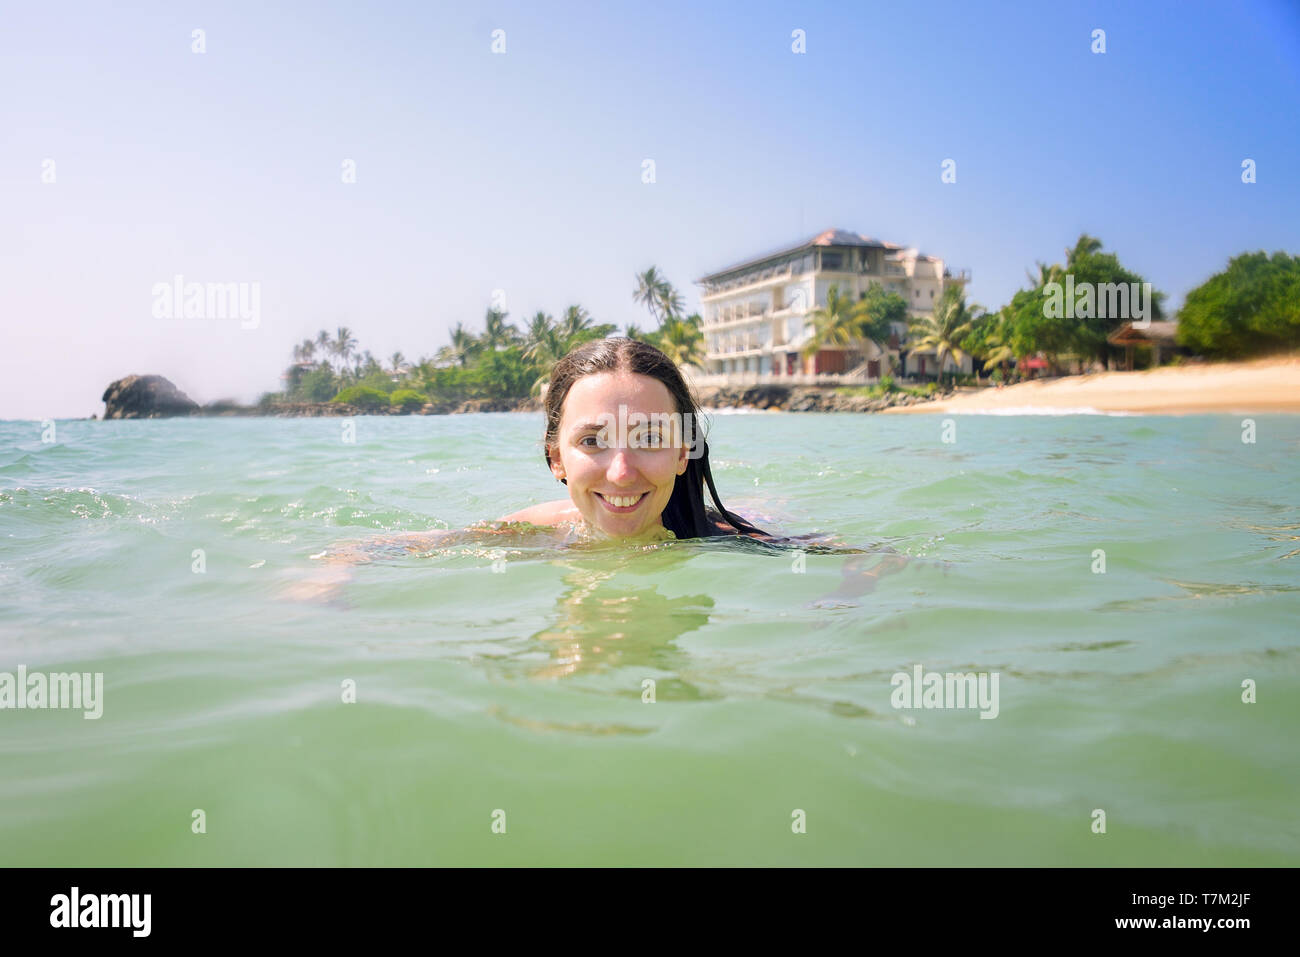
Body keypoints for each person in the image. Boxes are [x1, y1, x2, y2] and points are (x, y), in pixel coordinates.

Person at [499, 337, 772, 542]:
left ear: (681, 455)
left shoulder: (738, 543)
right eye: (592, 441)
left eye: (651, 439)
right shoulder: (518, 532)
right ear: (557, 459)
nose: (622, 474)